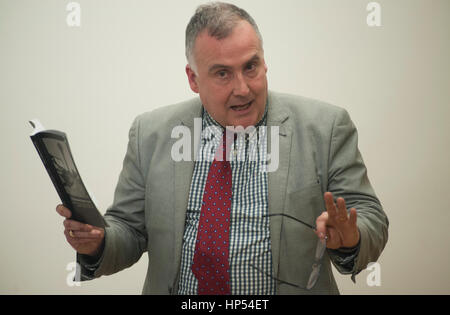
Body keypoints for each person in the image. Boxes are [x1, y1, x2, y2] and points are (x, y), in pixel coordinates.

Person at [56, 2, 388, 295]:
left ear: (264, 62)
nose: (242, 88)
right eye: (222, 74)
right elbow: (128, 230)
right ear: (193, 79)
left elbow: (370, 218)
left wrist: (352, 237)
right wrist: (98, 242)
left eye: (251, 66)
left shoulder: (326, 128)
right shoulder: (151, 134)